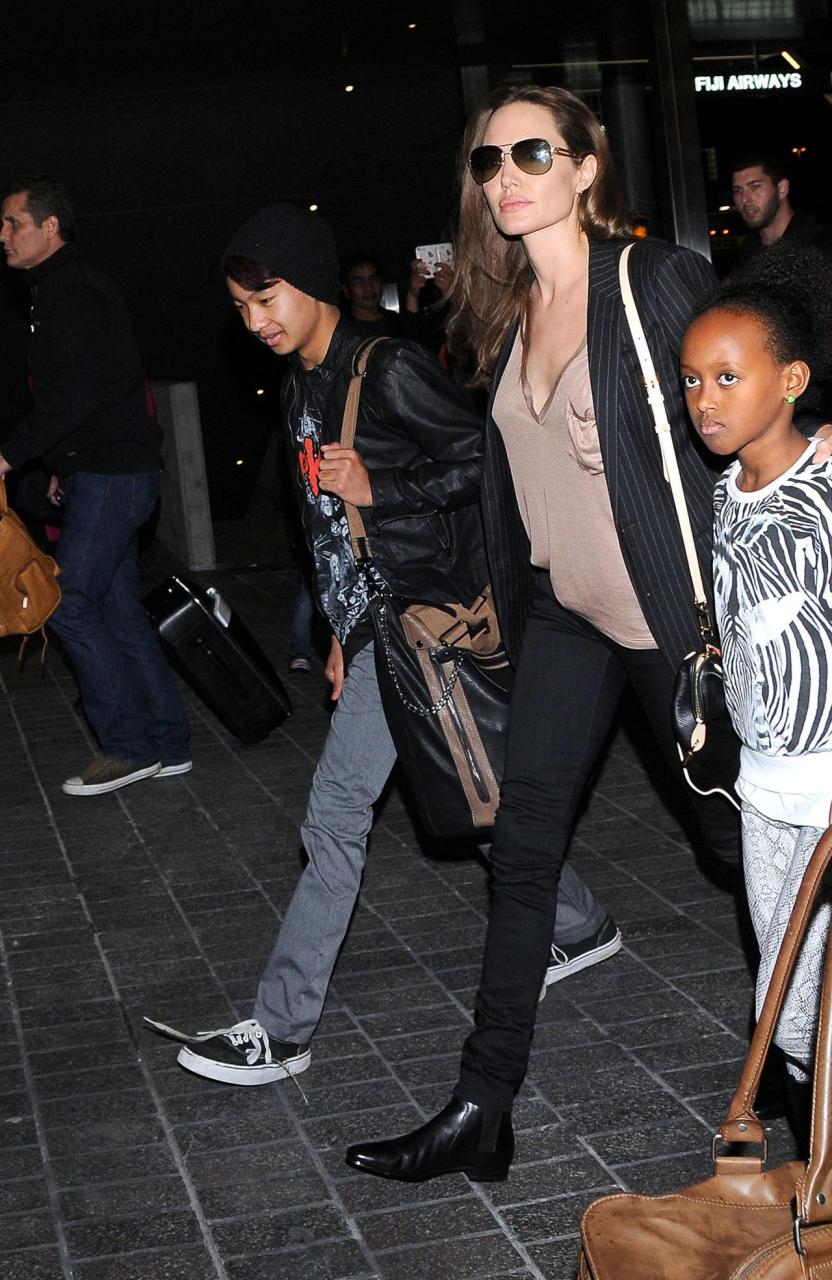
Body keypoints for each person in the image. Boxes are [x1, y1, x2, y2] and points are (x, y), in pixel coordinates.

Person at [344, 82, 746, 1185]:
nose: (507, 175)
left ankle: (802, 1075)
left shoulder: (652, 279)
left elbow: (739, 422)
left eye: (531, 152)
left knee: (742, 853)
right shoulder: (506, 310)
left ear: (584, 166)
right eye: (488, 161)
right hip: (565, 619)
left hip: (673, 625)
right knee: (521, 854)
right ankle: (482, 1103)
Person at [146, 202, 617, 1088]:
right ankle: (579, 922)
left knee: (335, 812)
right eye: (243, 308)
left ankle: (283, 1029)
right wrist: (338, 631)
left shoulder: (387, 367)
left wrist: (388, 484)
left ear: (312, 280)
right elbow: (328, 534)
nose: (258, 321)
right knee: (469, 786)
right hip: (379, 629)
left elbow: (491, 461)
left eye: (268, 296)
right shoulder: (299, 385)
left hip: (425, 624)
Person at [679, 241, 832, 1151]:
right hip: (766, 789)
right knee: (790, 998)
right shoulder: (720, 492)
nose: (707, 400)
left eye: (730, 377)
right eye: (693, 381)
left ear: (793, 379)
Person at [0, 176, 191, 795]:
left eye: (13, 225)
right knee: (117, 610)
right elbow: (89, 391)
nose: (2, 237)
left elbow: (74, 394)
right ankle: (168, 743)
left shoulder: (71, 290)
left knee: (69, 602)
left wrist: (9, 457)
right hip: (105, 469)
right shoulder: (61, 288)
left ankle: (128, 746)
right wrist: (61, 462)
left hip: (114, 474)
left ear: (48, 227)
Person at [731, 152, 832, 266]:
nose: (745, 199)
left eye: (755, 186)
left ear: (782, 189)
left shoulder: (819, 246)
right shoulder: (747, 253)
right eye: (738, 190)